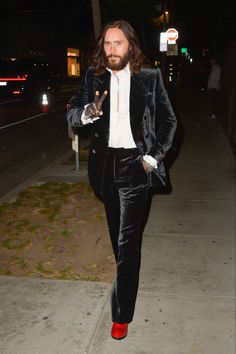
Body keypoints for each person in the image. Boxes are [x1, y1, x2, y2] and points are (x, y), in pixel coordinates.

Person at [67, 20, 177, 340]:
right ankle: (126, 275)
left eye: (118, 43)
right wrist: (87, 112)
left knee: (128, 243)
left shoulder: (149, 78)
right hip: (104, 168)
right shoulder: (93, 76)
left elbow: (170, 122)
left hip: (135, 165)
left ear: (131, 45)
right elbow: (74, 112)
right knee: (118, 239)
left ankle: (121, 313)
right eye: (107, 44)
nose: (112, 50)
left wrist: (151, 159)